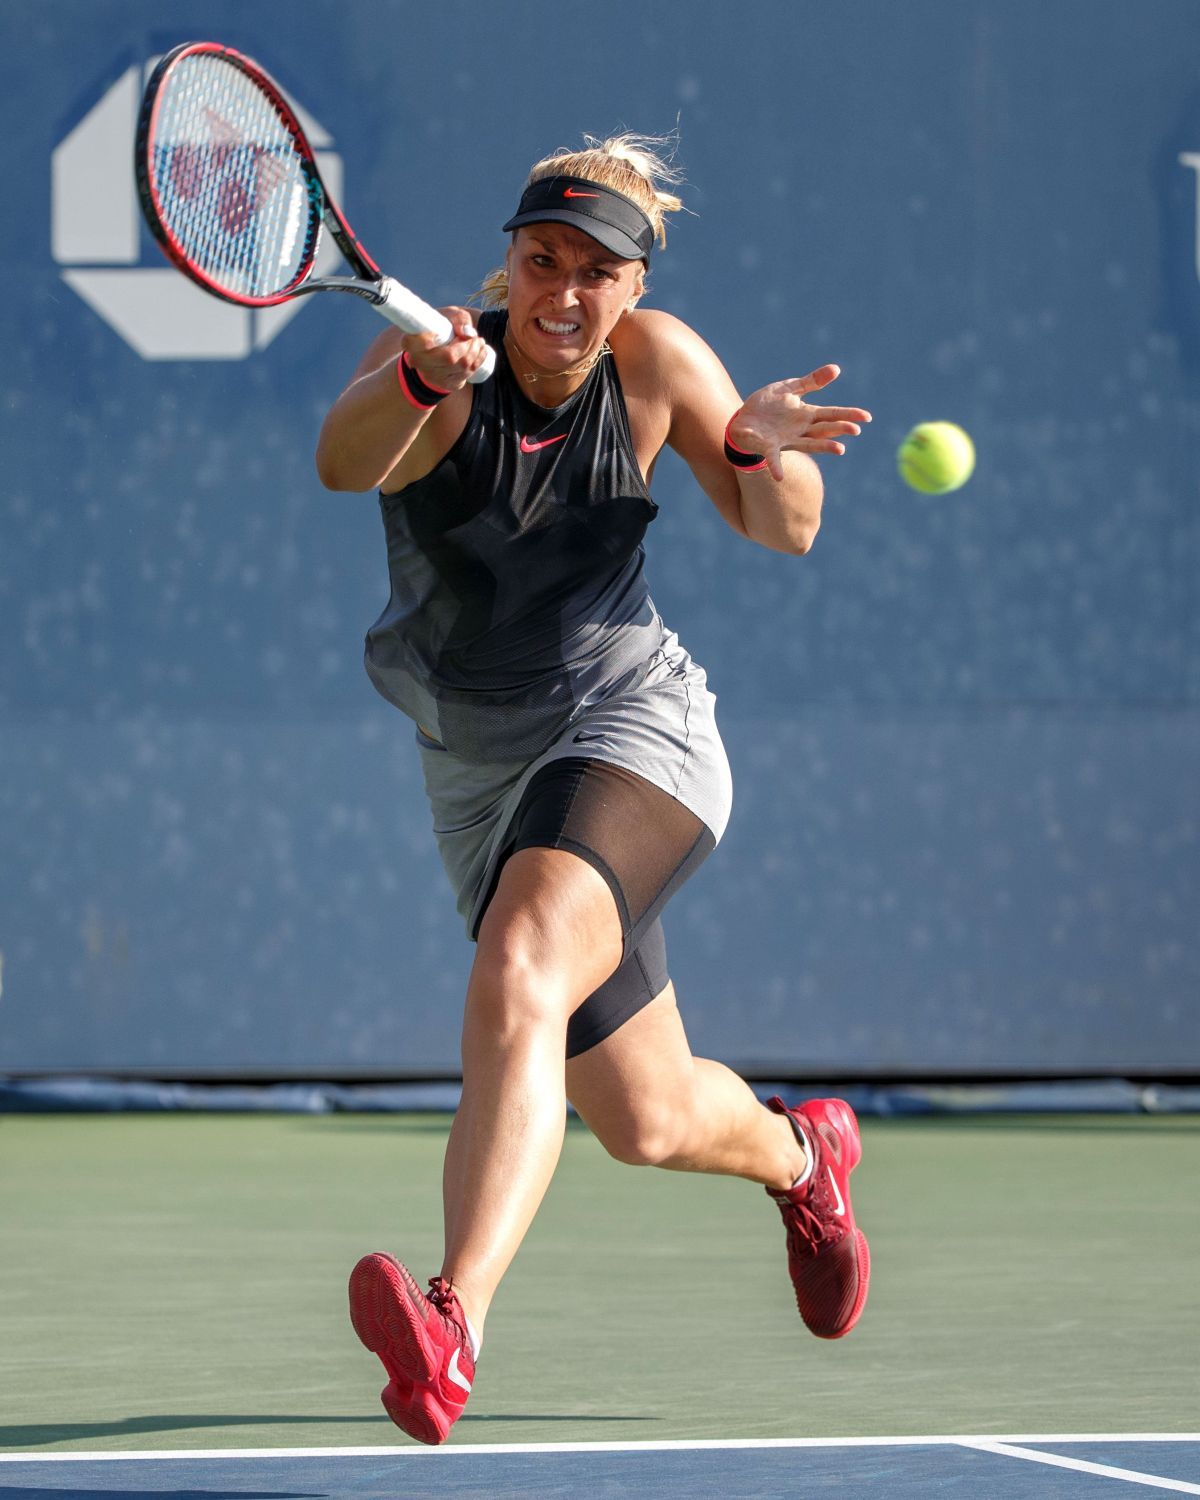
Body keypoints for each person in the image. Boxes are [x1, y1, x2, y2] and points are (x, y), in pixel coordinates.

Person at [316, 134, 873, 1447]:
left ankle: (455, 1320)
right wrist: (416, 377)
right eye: (541, 260)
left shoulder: (657, 364)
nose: (563, 294)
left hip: (635, 723)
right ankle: (808, 1160)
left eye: (594, 274)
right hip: (482, 772)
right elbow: (347, 461)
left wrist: (750, 445)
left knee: (521, 958)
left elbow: (788, 523)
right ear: (509, 259)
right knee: (647, 1116)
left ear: (633, 290)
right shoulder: (438, 371)